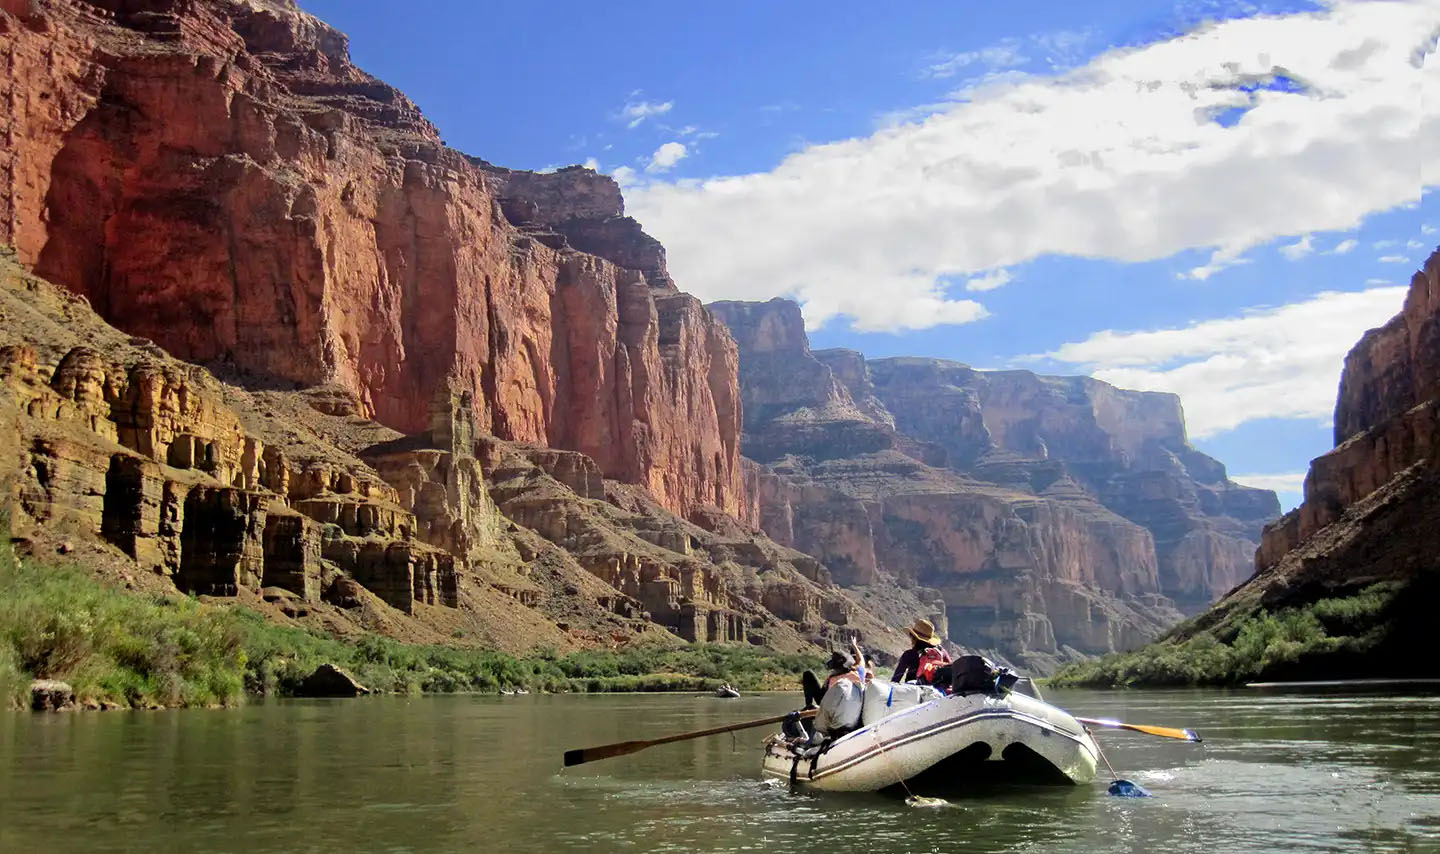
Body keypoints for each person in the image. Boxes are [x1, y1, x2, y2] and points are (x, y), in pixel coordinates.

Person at [891, 618, 951, 686]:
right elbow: (950, 669)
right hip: (938, 692)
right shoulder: (942, 651)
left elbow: (895, 680)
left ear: (914, 637)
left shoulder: (909, 654)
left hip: (914, 691)